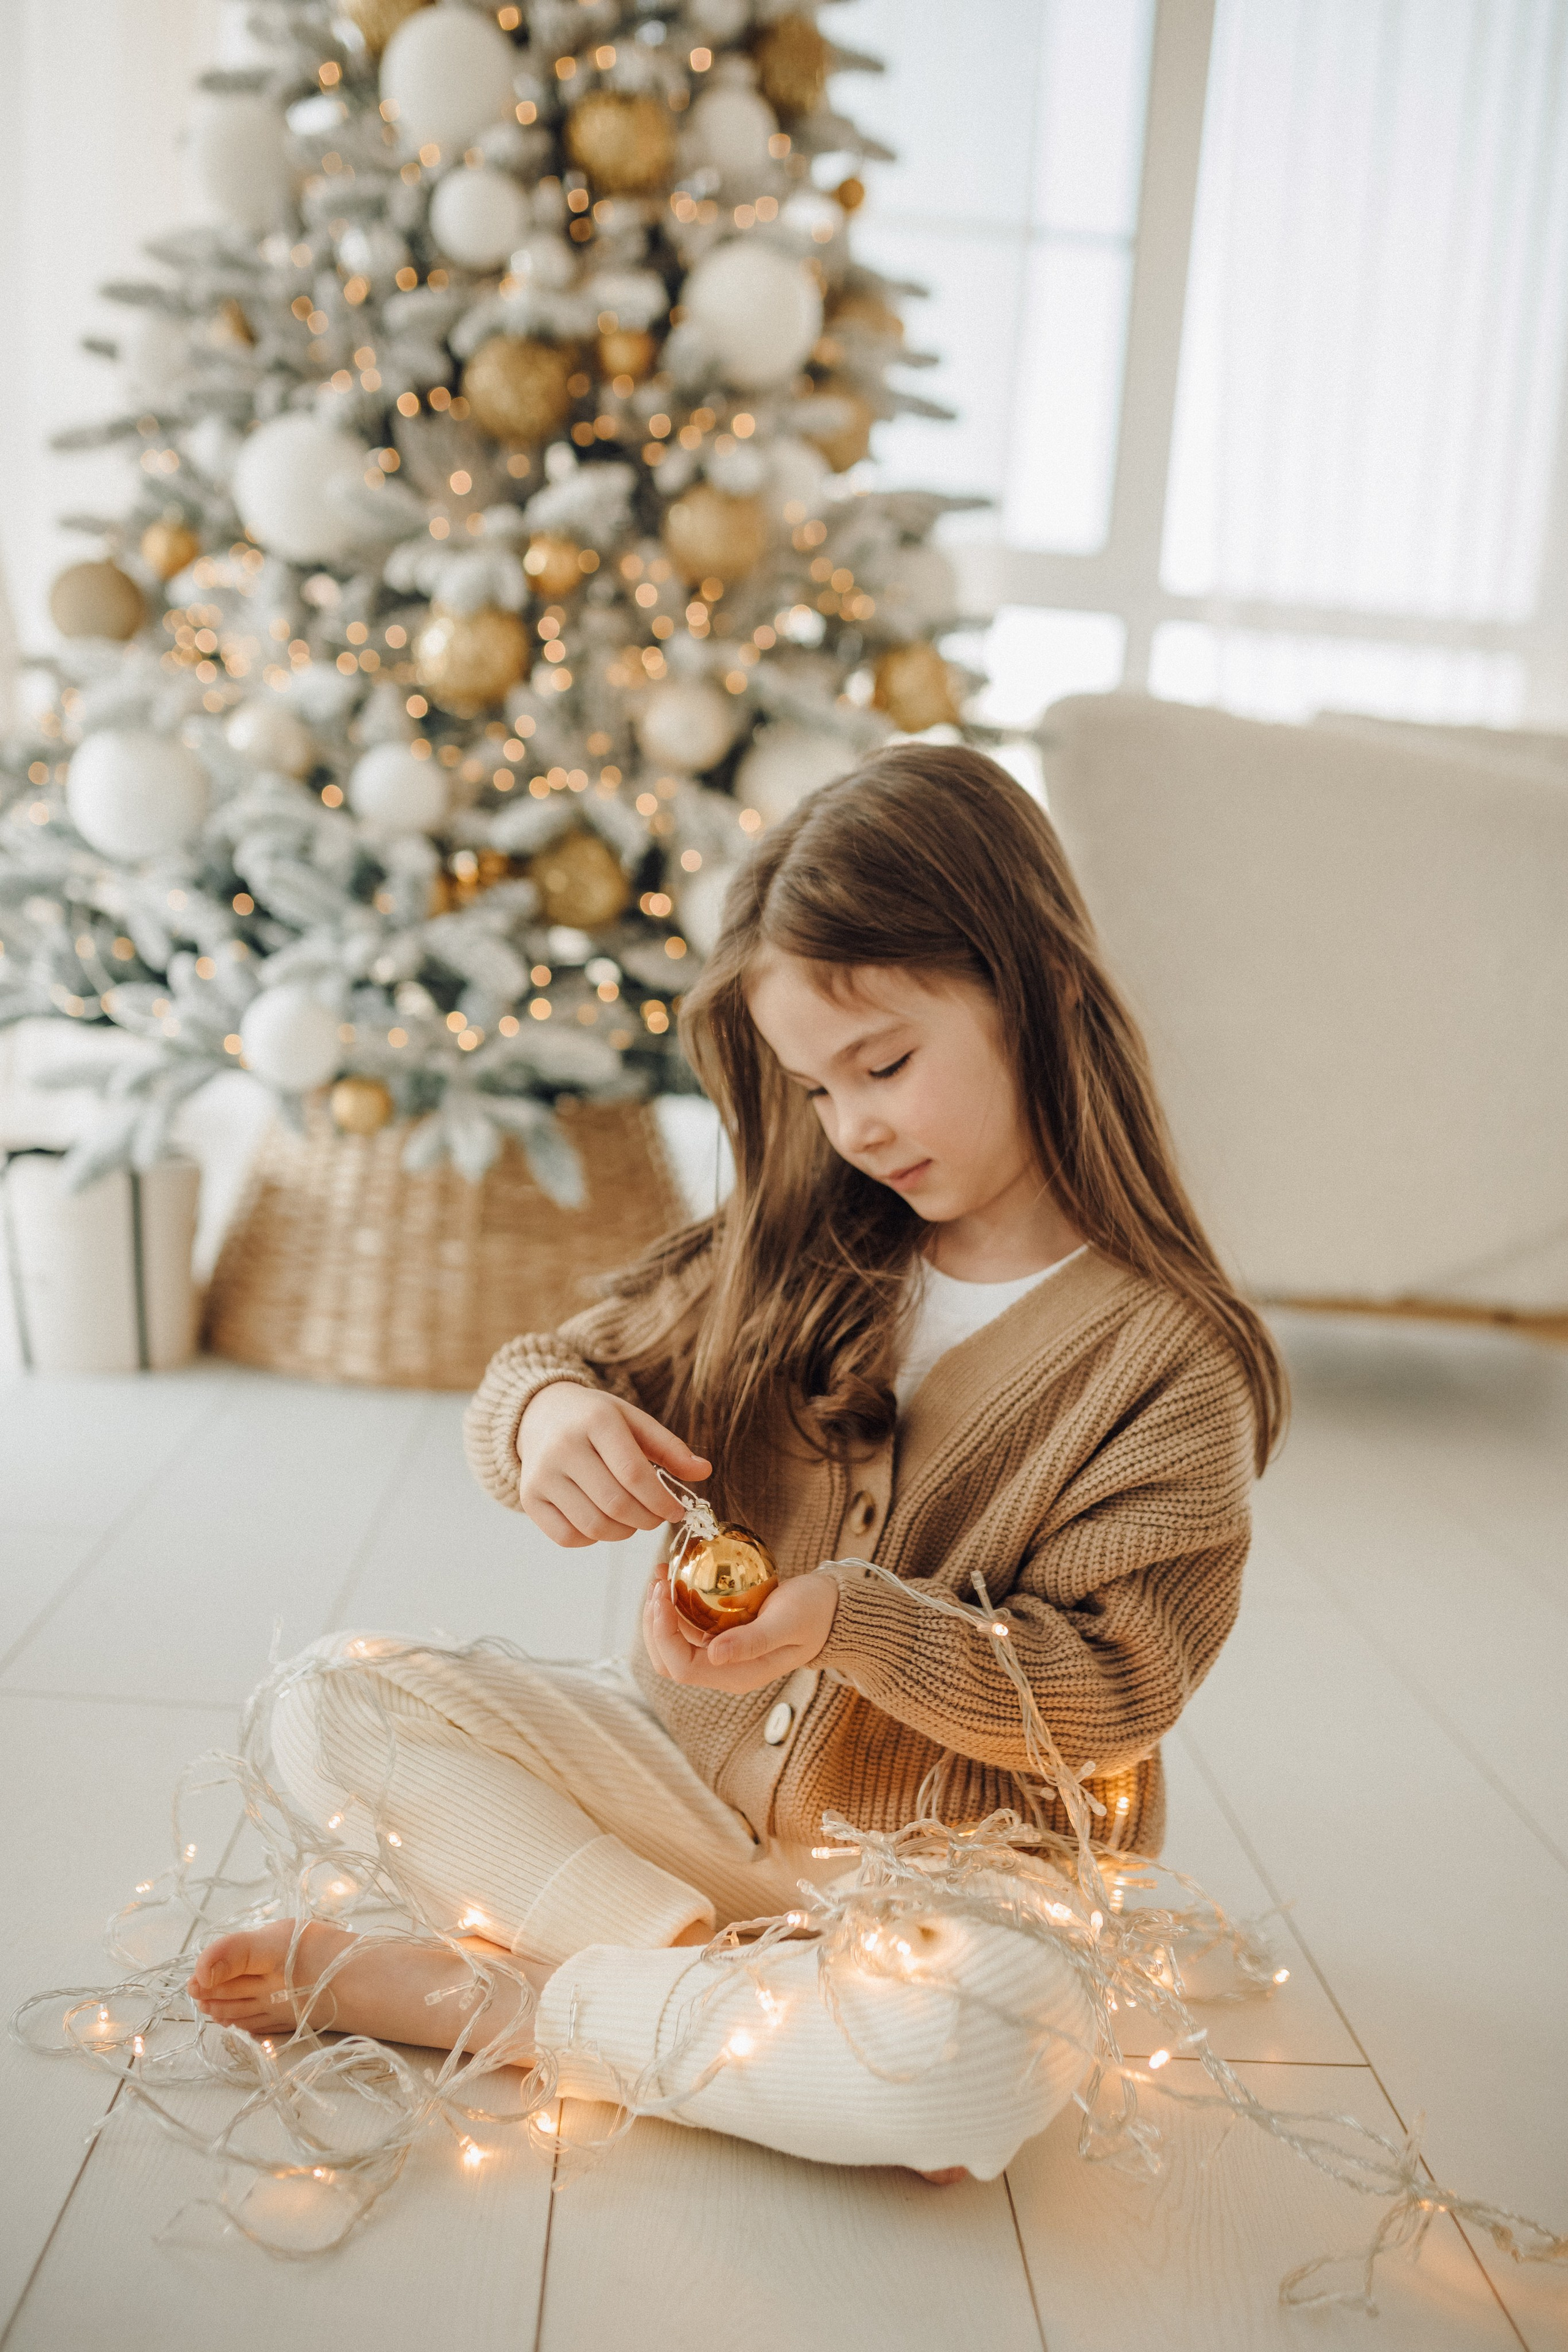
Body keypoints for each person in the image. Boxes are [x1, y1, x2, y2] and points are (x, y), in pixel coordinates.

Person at [186, 745, 1286, 2180]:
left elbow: (1112, 1684)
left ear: (1040, 989)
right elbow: (540, 1368)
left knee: (970, 2055)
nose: (854, 1126)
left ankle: (517, 2005)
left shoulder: (1165, 1361)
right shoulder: (797, 1250)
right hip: (683, 1818)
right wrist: (549, 1425)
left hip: (953, 1883)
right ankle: (711, 1991)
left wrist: (849, 1622)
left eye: (883, 1063)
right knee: (326, 1704)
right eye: (816, 1090)